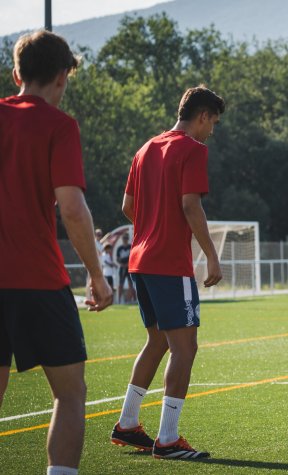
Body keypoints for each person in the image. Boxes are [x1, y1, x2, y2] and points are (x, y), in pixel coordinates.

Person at [0, 30, 112, 475]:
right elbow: (73, 208)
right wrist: (97, 275)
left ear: (16, 73)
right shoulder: (60, 126)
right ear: (63, 76)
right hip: (38, 281)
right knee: (69, 393)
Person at [110, 85, 224, 459]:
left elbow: (128, 205)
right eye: (214, 123)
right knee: (185, 348)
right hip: (170, 265)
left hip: (140, 262)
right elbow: (191, 205)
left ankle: (128, 424)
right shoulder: (193, 149)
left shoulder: (145, 149)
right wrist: (211, 255)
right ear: (203, 115)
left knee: (157, 341)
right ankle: (169, 439)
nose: (212, 131)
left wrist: (151, 227)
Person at [115, 233, 133, 303]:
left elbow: (133, 256)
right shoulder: (119, 248)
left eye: (126, 238)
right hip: (122, 267)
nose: (125, 239)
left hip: (129, 267)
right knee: (121, 284)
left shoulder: (130, 247)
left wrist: (128, 264)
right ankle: (119, 300)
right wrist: (122, 264)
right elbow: (117, 258)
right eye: (124, 238)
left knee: (130, 284)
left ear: (128, 239)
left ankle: (131, 299)